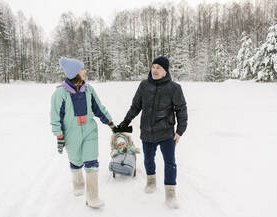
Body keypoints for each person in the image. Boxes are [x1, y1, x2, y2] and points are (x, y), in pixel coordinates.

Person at [118, 56, 188, 209]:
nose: (155, 70)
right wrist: (125, 121)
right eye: (153, 66)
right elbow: (136, 106)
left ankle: (170, 194)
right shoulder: (144, 85)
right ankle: (151, 181)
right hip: (147, 131)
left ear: (165, 71)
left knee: (170, 163)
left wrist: (179, 131)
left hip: (166, 132)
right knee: (148, 159)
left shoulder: (174, 88)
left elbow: (181, 111)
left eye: (159, 68)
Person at [50, 57, 116, 209]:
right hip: (71, 134)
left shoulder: (89, 89)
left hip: (89, 131)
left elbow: (99, 108)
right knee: (76, 161)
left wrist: (111, 123)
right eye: (82, 69)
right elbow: (55, 117)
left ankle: (93, 197)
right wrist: (59, 136)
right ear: (74, 73)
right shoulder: (60, 93)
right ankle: (78, 184)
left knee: (91, 162)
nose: (85, 71)